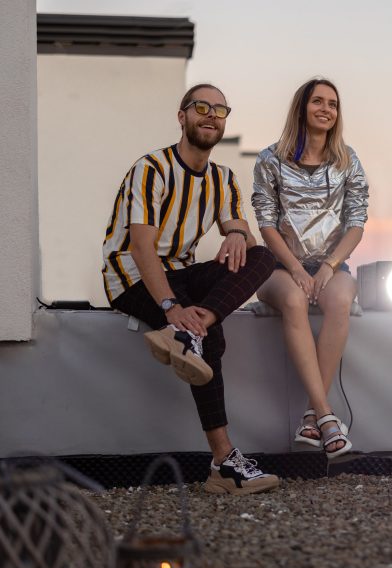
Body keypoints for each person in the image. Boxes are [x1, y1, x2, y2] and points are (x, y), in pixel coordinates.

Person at [102, 83, 281, 495]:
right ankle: (224, 465)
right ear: (182, 117)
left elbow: (239, 227)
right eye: (201, 106)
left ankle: (193, 326)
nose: (211, 115)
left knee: (262, 257)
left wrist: (237, 233)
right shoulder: (151, 168)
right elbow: (141, 246)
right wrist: (169, 306)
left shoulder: (222, 178)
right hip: (131, 277)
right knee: (211, 340)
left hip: (181, 275)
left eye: (220, 110)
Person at [252, 78, 368, 458]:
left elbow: (356, 222)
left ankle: (308, 418)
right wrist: (296, 270)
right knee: (294, 299)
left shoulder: (347, 160)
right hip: (280, 267)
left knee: (340, 300)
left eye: (333, 104)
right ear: (301, 108)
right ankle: (326, 414)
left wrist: (330, 267)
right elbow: (266, 223)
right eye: (318, 101)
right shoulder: (270, 159)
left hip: (330, 265)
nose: (326, 109)